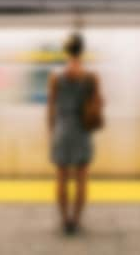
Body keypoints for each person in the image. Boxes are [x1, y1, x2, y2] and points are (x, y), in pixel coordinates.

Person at [47, 33, 103, 234]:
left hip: (62, 128)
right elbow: (98, 104)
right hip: (82, 130)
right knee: (81, 178)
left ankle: (64, 221)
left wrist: (51, 133)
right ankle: (76, 221)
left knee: (61, 177)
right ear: (82, 50)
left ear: (66, 51)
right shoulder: (91, 77)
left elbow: (51, 108)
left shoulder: (55, 77)